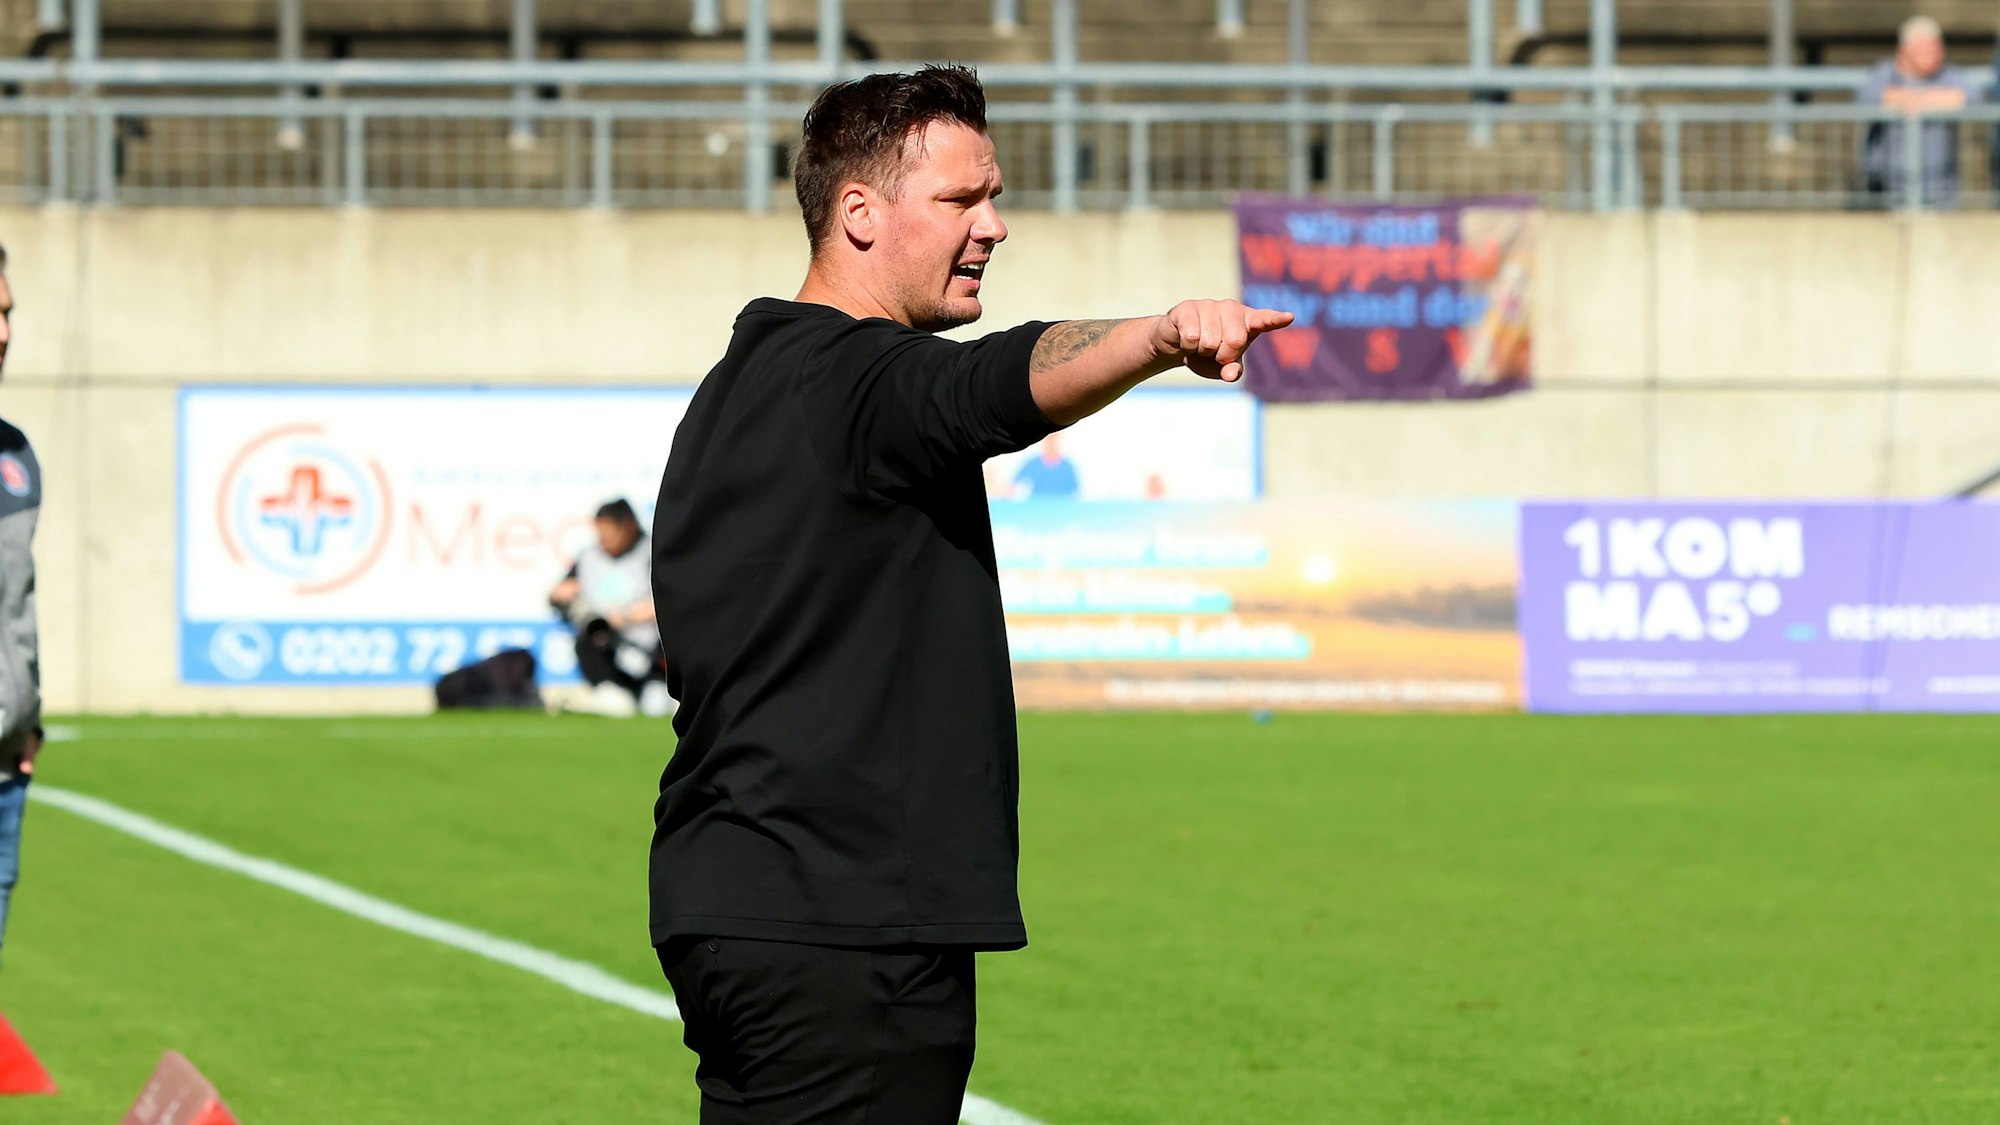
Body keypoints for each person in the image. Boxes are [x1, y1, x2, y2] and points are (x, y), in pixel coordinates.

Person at [648, 65, 1289, 1123]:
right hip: (845, 929)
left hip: (746, 907)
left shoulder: (735, 392)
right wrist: (1162, 335)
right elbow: (990, 382)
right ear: (858, 213)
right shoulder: (858, 381)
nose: (993, 225)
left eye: (991, 196)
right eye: (959, 199)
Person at [0, 244, 43, 970]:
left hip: (5, 774)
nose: (3, 333)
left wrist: (27, 717)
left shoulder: (16, 456)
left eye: (6, 313)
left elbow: (18, 601)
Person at [550, 498, 671, 718]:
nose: (604, 540)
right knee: (588, 635)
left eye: (610, 533)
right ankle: (609, 691)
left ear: (628, 527)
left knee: (657, 705)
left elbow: (675, 597)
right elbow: (562, 592)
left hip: (649, 647)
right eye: (600, 533)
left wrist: (636, 615)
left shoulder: (653, 553)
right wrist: (560, 594)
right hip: (607, 645)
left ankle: (657, 689)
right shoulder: (589, 556)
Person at [1857, 16, 1978, 207]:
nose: (1933, 54)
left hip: (1940, 187)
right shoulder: (1885, 72)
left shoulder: (1949, 74)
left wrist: (1913, 100)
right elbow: (1867, 98)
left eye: (1936, 48)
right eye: (1924, 48)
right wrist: (1937, 99)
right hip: (1887, 187)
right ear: (1905, 49)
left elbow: (1972, 98)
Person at [1009, 433, 1080, 498]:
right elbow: (1014, 483)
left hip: (1060, 506)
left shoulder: (1067, 466)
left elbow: (1074, 491)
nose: (1051, 446)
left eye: (1054, 443)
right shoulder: (1034, 464)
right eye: (1049, 443)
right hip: (1037, 505)